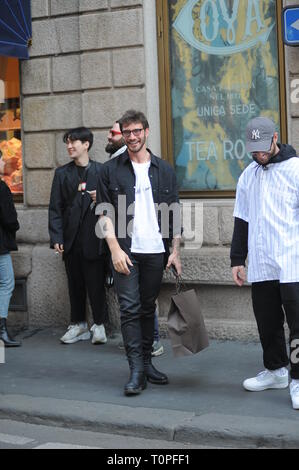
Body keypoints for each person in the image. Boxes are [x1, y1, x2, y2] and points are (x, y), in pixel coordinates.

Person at [96, 110, 182, 395]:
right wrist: (114, 249)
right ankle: (135, 370)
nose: (132, 137)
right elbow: (104, 212)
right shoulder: (109, 170)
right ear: (122, 134)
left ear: (146, 131)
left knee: (147, 308)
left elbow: (175, 213)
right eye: (127, 132)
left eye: (136, 131)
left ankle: (147, 364)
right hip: (126, 251)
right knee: (130, 309)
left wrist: (175, 250)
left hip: (155, 251)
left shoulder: (164, 169)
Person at [231, 116, 299, 410]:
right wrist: (237, 259)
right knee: (267, 322)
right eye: (253, 149)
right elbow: (241, 219)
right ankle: (276, 371)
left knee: (298, 325)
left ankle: (298, 379)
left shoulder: (295, 170)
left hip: (292, 260)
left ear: (274, 140)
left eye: (262, 147)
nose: (257, 154)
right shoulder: (248, 175)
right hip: (261, 262)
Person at [48, 127, 108, 345]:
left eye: (74, 142)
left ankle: (99, 325)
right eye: (68, 142)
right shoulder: (62, 173)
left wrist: (98, 197)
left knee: (96, 284)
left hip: (96, 239)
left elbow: (114, 206)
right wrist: (57, 238)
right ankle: (78, 325)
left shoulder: (102, 171)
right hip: (71, 240)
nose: (70, 146)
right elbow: (55, 208)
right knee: (75, 285)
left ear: (86, 145)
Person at [0, 150, 21, 347]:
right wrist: (15, 226)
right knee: (6, 284)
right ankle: (1, 330)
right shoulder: (1, 188)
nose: (2, 162)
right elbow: (9, 219)